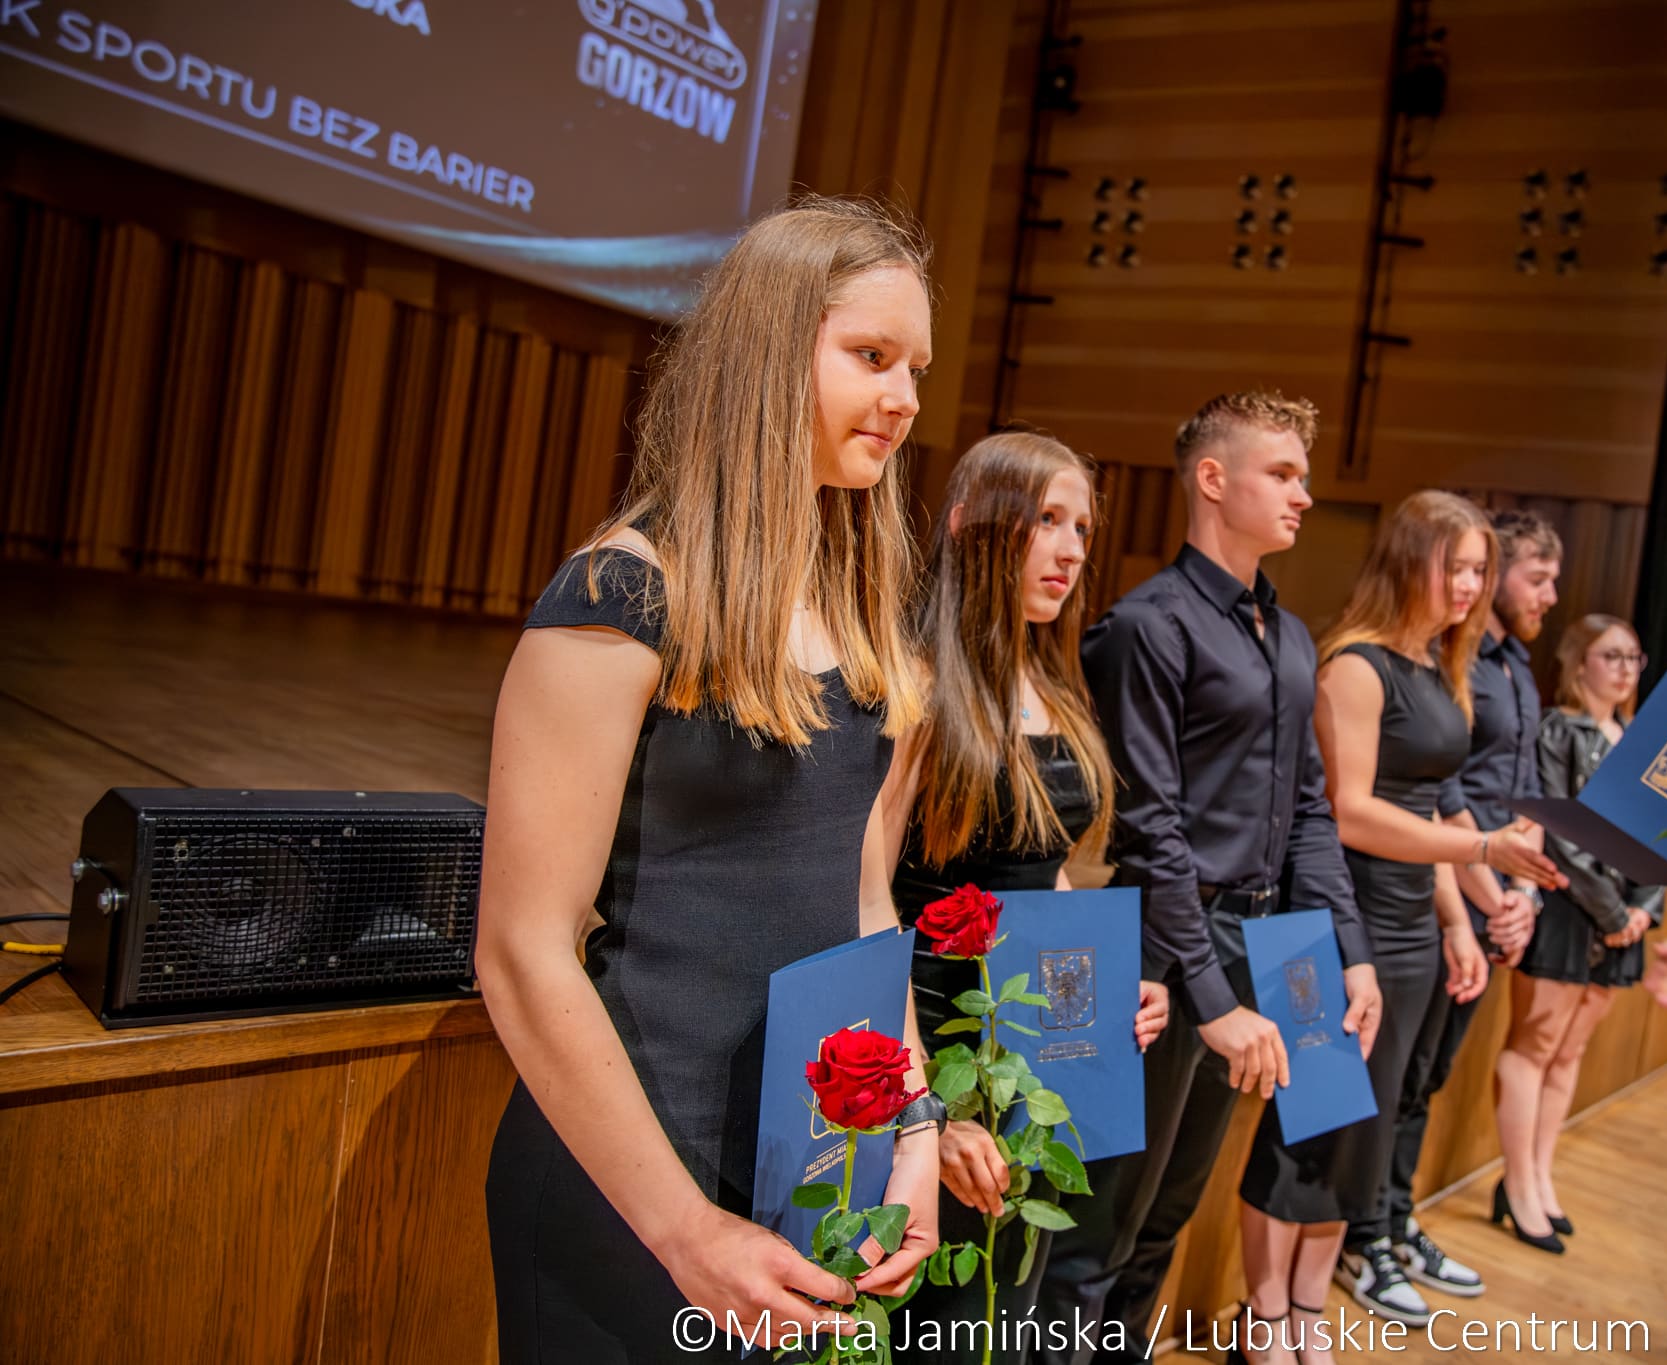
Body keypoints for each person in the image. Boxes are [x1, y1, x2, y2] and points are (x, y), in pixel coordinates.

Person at [476, 199, 945, 1364]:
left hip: (804, 1171)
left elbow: (865, 908)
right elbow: (522, 949)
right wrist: (682, 1230)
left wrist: (915, 1131)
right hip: (632, 1184)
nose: (904, 401)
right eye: (871, 358)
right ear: (768, 352)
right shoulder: (624, 594)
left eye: (916, 369)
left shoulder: (862, 621)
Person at [1035, 391, 1384, 1365]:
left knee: (1167, 1213)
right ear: (1212, 479)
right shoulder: (1147, 627)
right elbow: (1149, 831)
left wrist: (1347, 955)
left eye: (1304, 477)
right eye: (1281, 473)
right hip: (1155, 947)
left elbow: (1309, 815)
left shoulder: (1289, 634)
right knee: (1097, 1218)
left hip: (1261, 935)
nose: (1303, 495)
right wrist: (1210, 992)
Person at [878, 431, 1171, 1362]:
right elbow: (864, 905)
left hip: (1032, 1046)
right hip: (932, 1043)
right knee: (944, 1327)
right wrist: (927, 1107)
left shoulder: (1052, 681)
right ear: (972, 523)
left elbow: (1043, 874)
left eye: (1081, 526)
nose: (1074, 548)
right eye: (1047, 520)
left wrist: (1104, 980)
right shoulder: (916, 681)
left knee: (1014, 1308)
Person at [1313, 490, 1560, 1329]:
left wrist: (1463, 917)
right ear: (1407, 559)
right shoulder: (1355, 661)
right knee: (1359, 1101)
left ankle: (1382, 1225)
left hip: (1421, 907)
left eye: (1479, 570)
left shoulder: (1439, 667)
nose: (1468, 585)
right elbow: (1353, 810)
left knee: (1408, 1087)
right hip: (1359, 907)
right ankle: (1358, 1239)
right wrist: (1484, 853)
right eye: (1454, 566)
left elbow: (1433, 802)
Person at [1491, 614, 1662, 1254]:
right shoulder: (1558, 730)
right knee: (1534, 1047)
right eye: (1610, 655)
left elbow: (1665, 829)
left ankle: (1539, 1175)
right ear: (1577, 661)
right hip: (1571, 908)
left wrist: (1644, 906)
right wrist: (1613, 913)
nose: (1623, 668)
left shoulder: (1644, 739)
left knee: (1569, 1055)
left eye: (1633, 656)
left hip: (1626, 916)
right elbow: (1558, 830)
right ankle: (1517, 1181)